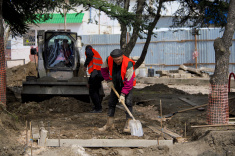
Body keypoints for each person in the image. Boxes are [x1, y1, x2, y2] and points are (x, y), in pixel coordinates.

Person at [99, 49, 136, 133]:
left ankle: (129, 125)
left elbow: (129, 82)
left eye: (119, 59)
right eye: (115, 60)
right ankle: (109, 124)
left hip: (127, 85)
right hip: (115, 85)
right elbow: (103, 69)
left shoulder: (128, 64)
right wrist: (108, 80)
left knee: (128, 103)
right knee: (111, 103)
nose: (117, 62)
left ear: (122, 56)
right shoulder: (109, 59)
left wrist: (123, 94)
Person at [84, 45, 104, 113]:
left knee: (92, 91)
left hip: (96, 74)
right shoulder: (96, 53)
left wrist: (85, 65)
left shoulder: (89, 50)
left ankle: (98, 108)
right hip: (100, 74)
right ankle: (98, 106)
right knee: (96, 91)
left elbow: (89, 56)